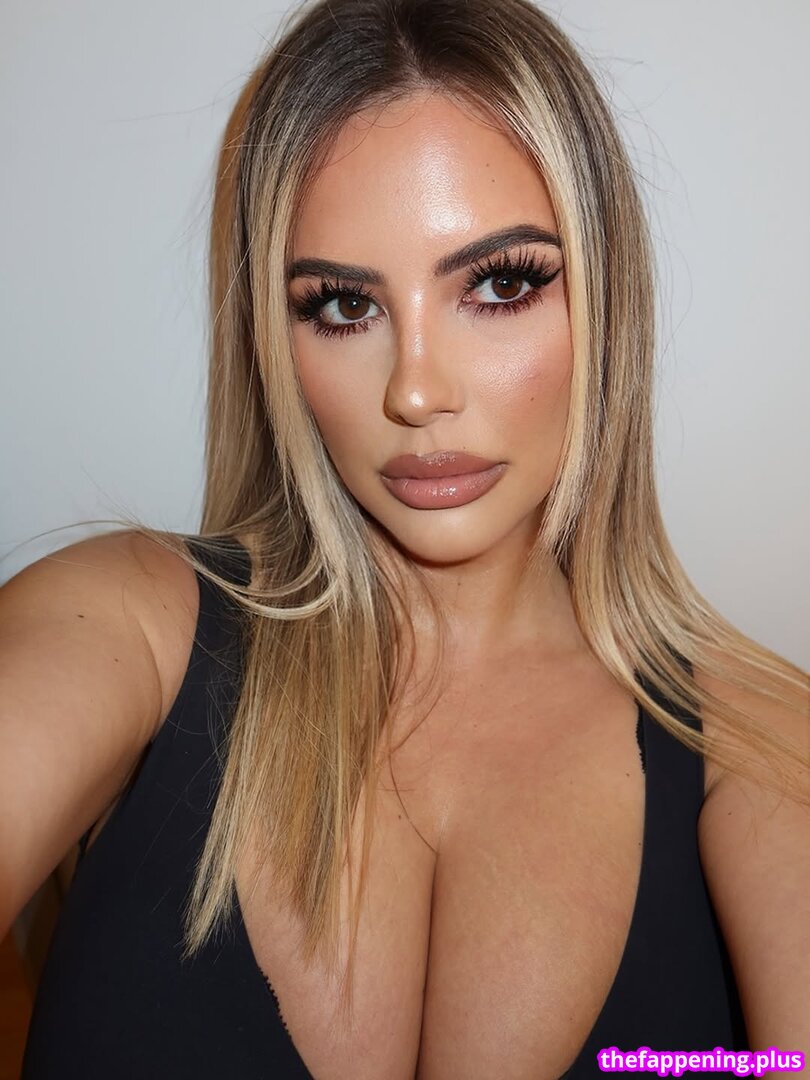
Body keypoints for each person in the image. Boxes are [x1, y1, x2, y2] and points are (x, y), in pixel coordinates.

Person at [2, 0, 808, 1077]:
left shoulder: (762, 742)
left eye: (502, 284)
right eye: (343, 306)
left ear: (607, 299)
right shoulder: (126, 626)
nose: (416, 392)